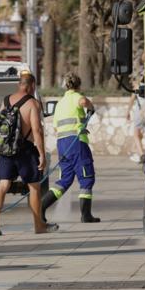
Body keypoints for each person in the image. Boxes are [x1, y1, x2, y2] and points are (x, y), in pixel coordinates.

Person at [0, 71, 56, 236]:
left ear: (19, 85)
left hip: (6, 150)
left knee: (3, 185)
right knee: (34, 187)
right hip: (25, 150)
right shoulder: (32, 103)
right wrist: (41, 154)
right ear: (32, 86)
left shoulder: (5, 101)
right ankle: (38, 225)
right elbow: (37, 131)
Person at [40, 72, 101, 223]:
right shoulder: (77, 97)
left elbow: (56, 126)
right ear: (79, 86)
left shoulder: (60, 104)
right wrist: (90, 110)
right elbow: (84, 102)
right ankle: (86, 215)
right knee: (86, 177)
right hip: (77, 143)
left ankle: (41, 206)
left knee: (64, 180)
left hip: (62, 144)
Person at [126, 87, 145, 164]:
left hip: (140, 112)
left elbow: (132, 99)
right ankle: (143, 153)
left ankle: (142, 154)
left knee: (136, 134)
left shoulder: (138, 86)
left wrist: (127, 111)